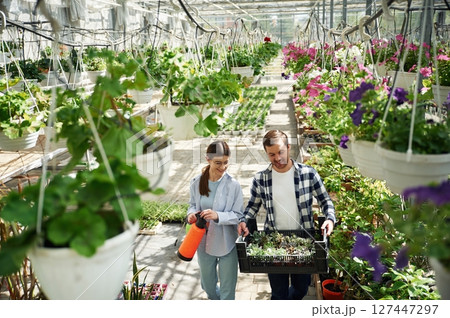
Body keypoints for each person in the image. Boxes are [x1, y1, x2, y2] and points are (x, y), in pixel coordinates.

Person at [238, 129, 336, 300]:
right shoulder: (261, 178)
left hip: (303, 243)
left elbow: (325, 201)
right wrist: (244, 221)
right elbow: (252, 207)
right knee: (278, 292)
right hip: (274, 245)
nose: (277, 158)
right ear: (267, 154)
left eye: (281, 152)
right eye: (272, 154)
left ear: (289, 147)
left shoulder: (308, 174)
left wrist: (329, 219)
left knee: (301, 289)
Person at [187, 140, 244, 300]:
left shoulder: (234, 185)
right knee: (208, 286)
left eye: (226, 163)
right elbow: (192, 205)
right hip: (204, 241)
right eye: (218, 163)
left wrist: (218, 215)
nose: (223, 167)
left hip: (227, 242)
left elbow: (238, 215)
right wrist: (191, 215)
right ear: (208, 159)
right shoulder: (196, 183)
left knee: (228, 290)